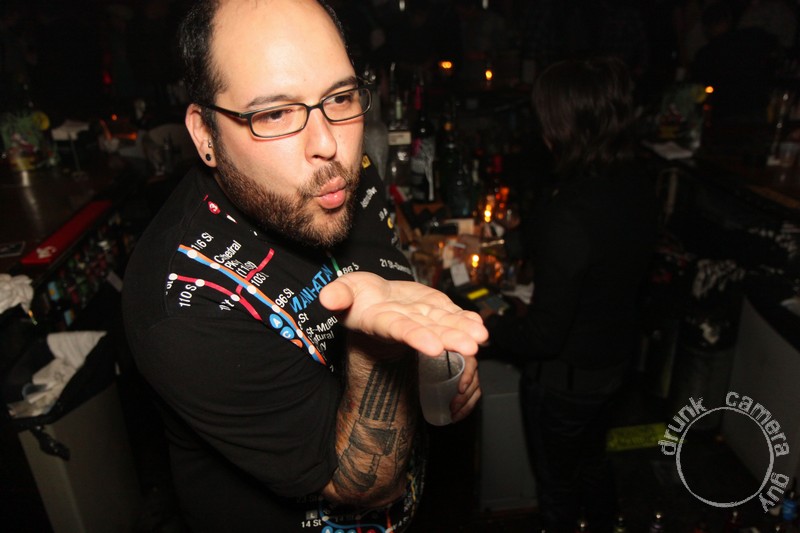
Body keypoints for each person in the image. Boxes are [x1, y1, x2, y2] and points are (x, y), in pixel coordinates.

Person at [121, 1, 486, 531]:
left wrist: (434, 351)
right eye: (274, 114)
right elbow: (363, 485)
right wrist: (383, 353)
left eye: (340, 97)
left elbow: (393, 279)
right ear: (204, 133)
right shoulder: (183, 304)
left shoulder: (335, 176)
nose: (329, 145)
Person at [482, 57, 658, 531]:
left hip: (564, 384)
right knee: (594, 463)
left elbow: (543, 336)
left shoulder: (572, 215)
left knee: (557, 489)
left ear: (560, 125)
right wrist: (516, 242)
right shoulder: (634, 181)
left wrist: (490, 325)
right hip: (613, 366)